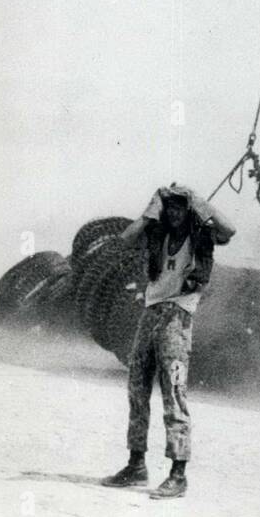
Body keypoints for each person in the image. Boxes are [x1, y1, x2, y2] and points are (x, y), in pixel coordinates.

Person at [102, 184, 235, 499]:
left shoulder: (201, 233)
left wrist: (199, 202)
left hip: (178, 317)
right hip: (150, 313)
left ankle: (178, 474)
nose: (173, 213)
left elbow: (229, 229)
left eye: (178, 208)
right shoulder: (157, 231)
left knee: (174, 395)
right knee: (137, 390)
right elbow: (125, 239)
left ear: (186, 210)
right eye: (169, 208)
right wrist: (150, 210)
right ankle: (136, 466)